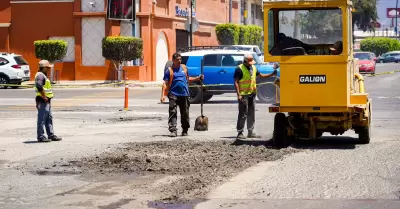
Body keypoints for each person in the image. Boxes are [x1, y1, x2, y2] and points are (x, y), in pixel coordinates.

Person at [233, 54, 277, 140]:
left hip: (252, 94)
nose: (251, 64)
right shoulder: (239, 69)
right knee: (243, 114)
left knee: (251, 114)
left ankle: (250, 132)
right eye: (249, 62)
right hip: (243, 95)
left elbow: (261, 76)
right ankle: (240, 132)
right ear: (245, 61)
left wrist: (271, 74)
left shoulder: (253, 68)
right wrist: (239, 95)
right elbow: (236, 82)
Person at [160, 53, 204, 137]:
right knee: (173, 112)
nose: (179, 61)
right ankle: (173, 130)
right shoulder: (169, 70)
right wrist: (162, 95)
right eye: (177, 60)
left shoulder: (184, 68)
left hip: (184, 94)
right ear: (173, 60)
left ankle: (185, 129)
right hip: (173, 94)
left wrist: (198, 78)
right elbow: (165, 83)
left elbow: (188, 79)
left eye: (180, 59)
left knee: (185, 113)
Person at [35, 60, 62, 142]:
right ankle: (41, 137)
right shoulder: (40, 76)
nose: (49, 69)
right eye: (48, 68)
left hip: (46, 101)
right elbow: (39, 86)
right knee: (42, 119)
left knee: (49, 118)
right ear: (44, 68)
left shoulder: (43, 75)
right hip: (43, 101)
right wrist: (44, 96)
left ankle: (51, 135)